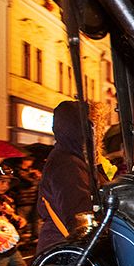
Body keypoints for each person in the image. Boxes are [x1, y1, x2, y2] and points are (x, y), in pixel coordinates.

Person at [36, 101, 96, 253]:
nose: (93, 131)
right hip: (64, 251)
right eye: (90, 125)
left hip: (61, 247)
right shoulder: (67, 163)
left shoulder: (68, 157)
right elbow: (79, 217)